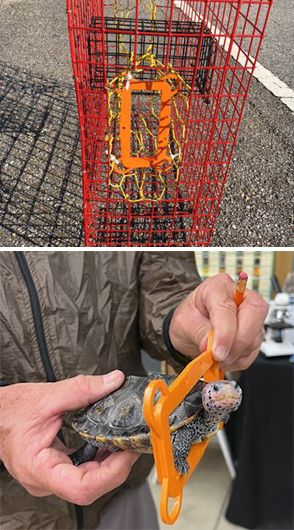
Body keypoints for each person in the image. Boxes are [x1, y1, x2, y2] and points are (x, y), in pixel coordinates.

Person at [0, 251, 268, 530]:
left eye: (229, 390)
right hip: (15, 513)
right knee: (97, 443)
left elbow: (163, 275)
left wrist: (179, 321)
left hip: (125, 491)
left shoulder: (203, 412)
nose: (227, 392)